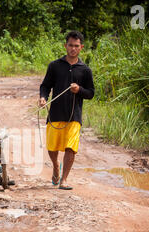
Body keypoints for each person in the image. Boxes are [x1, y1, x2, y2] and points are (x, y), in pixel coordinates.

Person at [39, 31, 94, 190]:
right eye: (70, 45)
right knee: (52, 147)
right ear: (65, 46)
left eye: (76, 46)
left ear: (81, 47)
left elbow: (90, 93)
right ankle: (56, 166)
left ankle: (64, 180)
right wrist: (43, 97)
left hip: (74, 116)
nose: (73, 49)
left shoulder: (85, 70)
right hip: (55, 113)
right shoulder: (54, 66)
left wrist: (80, 90)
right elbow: (45, 86)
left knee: (71, 148)